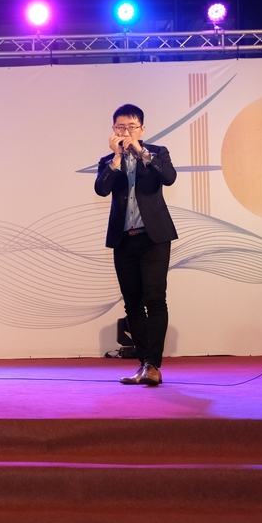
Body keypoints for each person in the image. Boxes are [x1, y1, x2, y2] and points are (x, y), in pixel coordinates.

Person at [94, 103, 178, 386]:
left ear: (142, 129)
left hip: (153, 237)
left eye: (131, 127)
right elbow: (101, 189)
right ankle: (143, 363)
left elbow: (169, 177)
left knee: (155, 299)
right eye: (120, 127)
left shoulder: (157, 153)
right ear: (112, 130)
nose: (125, 132)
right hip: (123, 240)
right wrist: (117, 158)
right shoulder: (109, 160)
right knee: (132, 304)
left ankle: (154, 364)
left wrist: (142, 153)